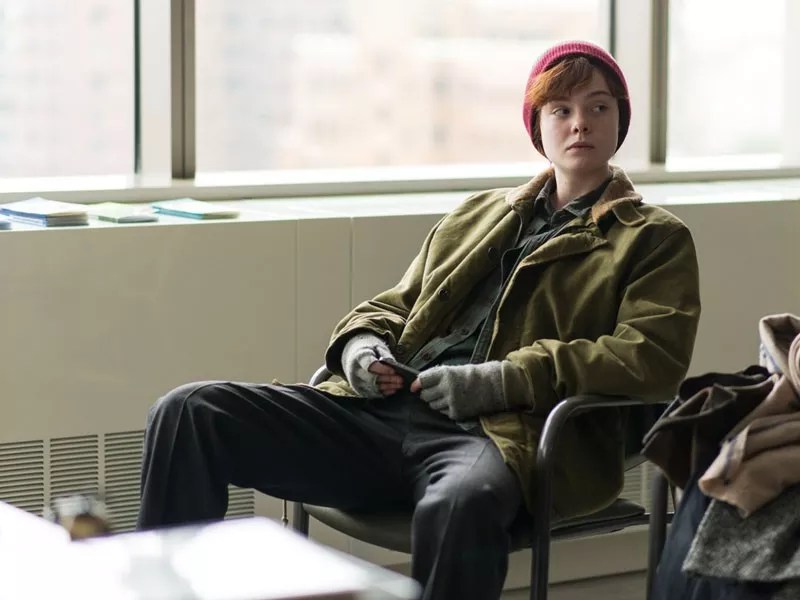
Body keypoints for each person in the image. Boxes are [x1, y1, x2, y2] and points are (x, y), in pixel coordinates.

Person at [137, 40, 701, 600]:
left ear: (620, 120)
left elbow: (649, 357)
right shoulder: (478, 214)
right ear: (538, 126)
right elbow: (397, 304)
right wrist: (361, 347)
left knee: (461, 504)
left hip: (498, 435)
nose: (580, 123)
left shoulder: (653, 237)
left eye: (598, 107)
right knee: (190, 411)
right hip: (382, 414)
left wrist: (501, 380)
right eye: (562, 110)